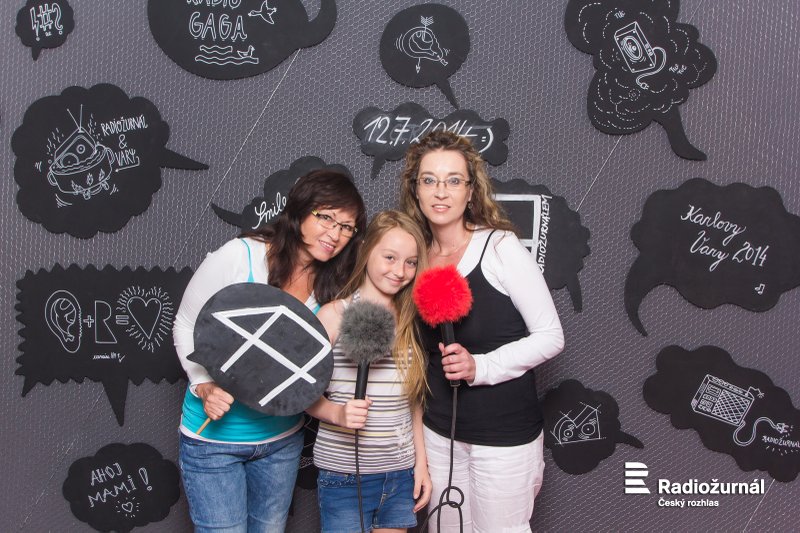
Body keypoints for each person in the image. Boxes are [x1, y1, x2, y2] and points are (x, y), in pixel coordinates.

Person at [173, 169, 366, 533]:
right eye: (326, 217)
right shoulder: (240, 256)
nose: (335, 234)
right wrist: (203, 385)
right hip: (214, 442)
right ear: (300, 211)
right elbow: (185, 324)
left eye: (347, 227)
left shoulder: (332, 287)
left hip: (281, 443)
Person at [399, 131, 565, 532]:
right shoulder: (412, 258)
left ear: (471, 191)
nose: (441, 191)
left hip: (504, 436)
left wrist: (481, 367)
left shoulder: (500, 247)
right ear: (416, 190)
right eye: (429, 180)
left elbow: (551, 336)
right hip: (439, 434)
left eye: (454, 180)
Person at [307, 210, 433, 533]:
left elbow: (413, 403)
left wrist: (421, 464)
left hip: (399, 474)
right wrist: (336, 413)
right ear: (366, 250)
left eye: (410, 262)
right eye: (390, 257)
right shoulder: (334, 315)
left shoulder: (409, 320)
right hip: (344, 476)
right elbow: (299, 392)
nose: (400, 271)